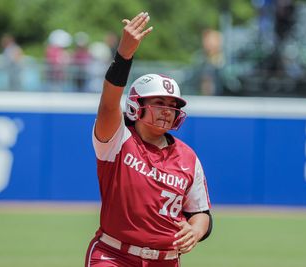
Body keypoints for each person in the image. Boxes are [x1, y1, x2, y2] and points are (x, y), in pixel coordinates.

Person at [85, 12, 212, 267]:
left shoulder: (187, 157)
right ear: (137, 105)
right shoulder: (118, 140)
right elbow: (109, 104)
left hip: (166, 261)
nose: (168, 109)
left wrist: (197, 231)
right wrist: (124, 55)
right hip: (114, 256)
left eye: (173, 104)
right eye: (159, 102)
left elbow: (201, 213)